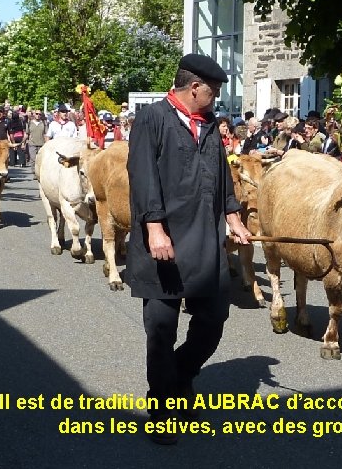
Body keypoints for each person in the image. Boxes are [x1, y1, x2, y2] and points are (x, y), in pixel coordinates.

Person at [126, 53, 251, 445]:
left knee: (213, 320)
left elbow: (222, 178)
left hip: (205, 238)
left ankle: (181, 375)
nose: (214, 99)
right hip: (162, 240)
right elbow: (142, 175)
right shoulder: (153, 119)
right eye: (211, 92)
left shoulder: (210, 126)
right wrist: (154, 228)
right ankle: (161, 406)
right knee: (161, 329)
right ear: (194, 87)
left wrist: (233, 217)